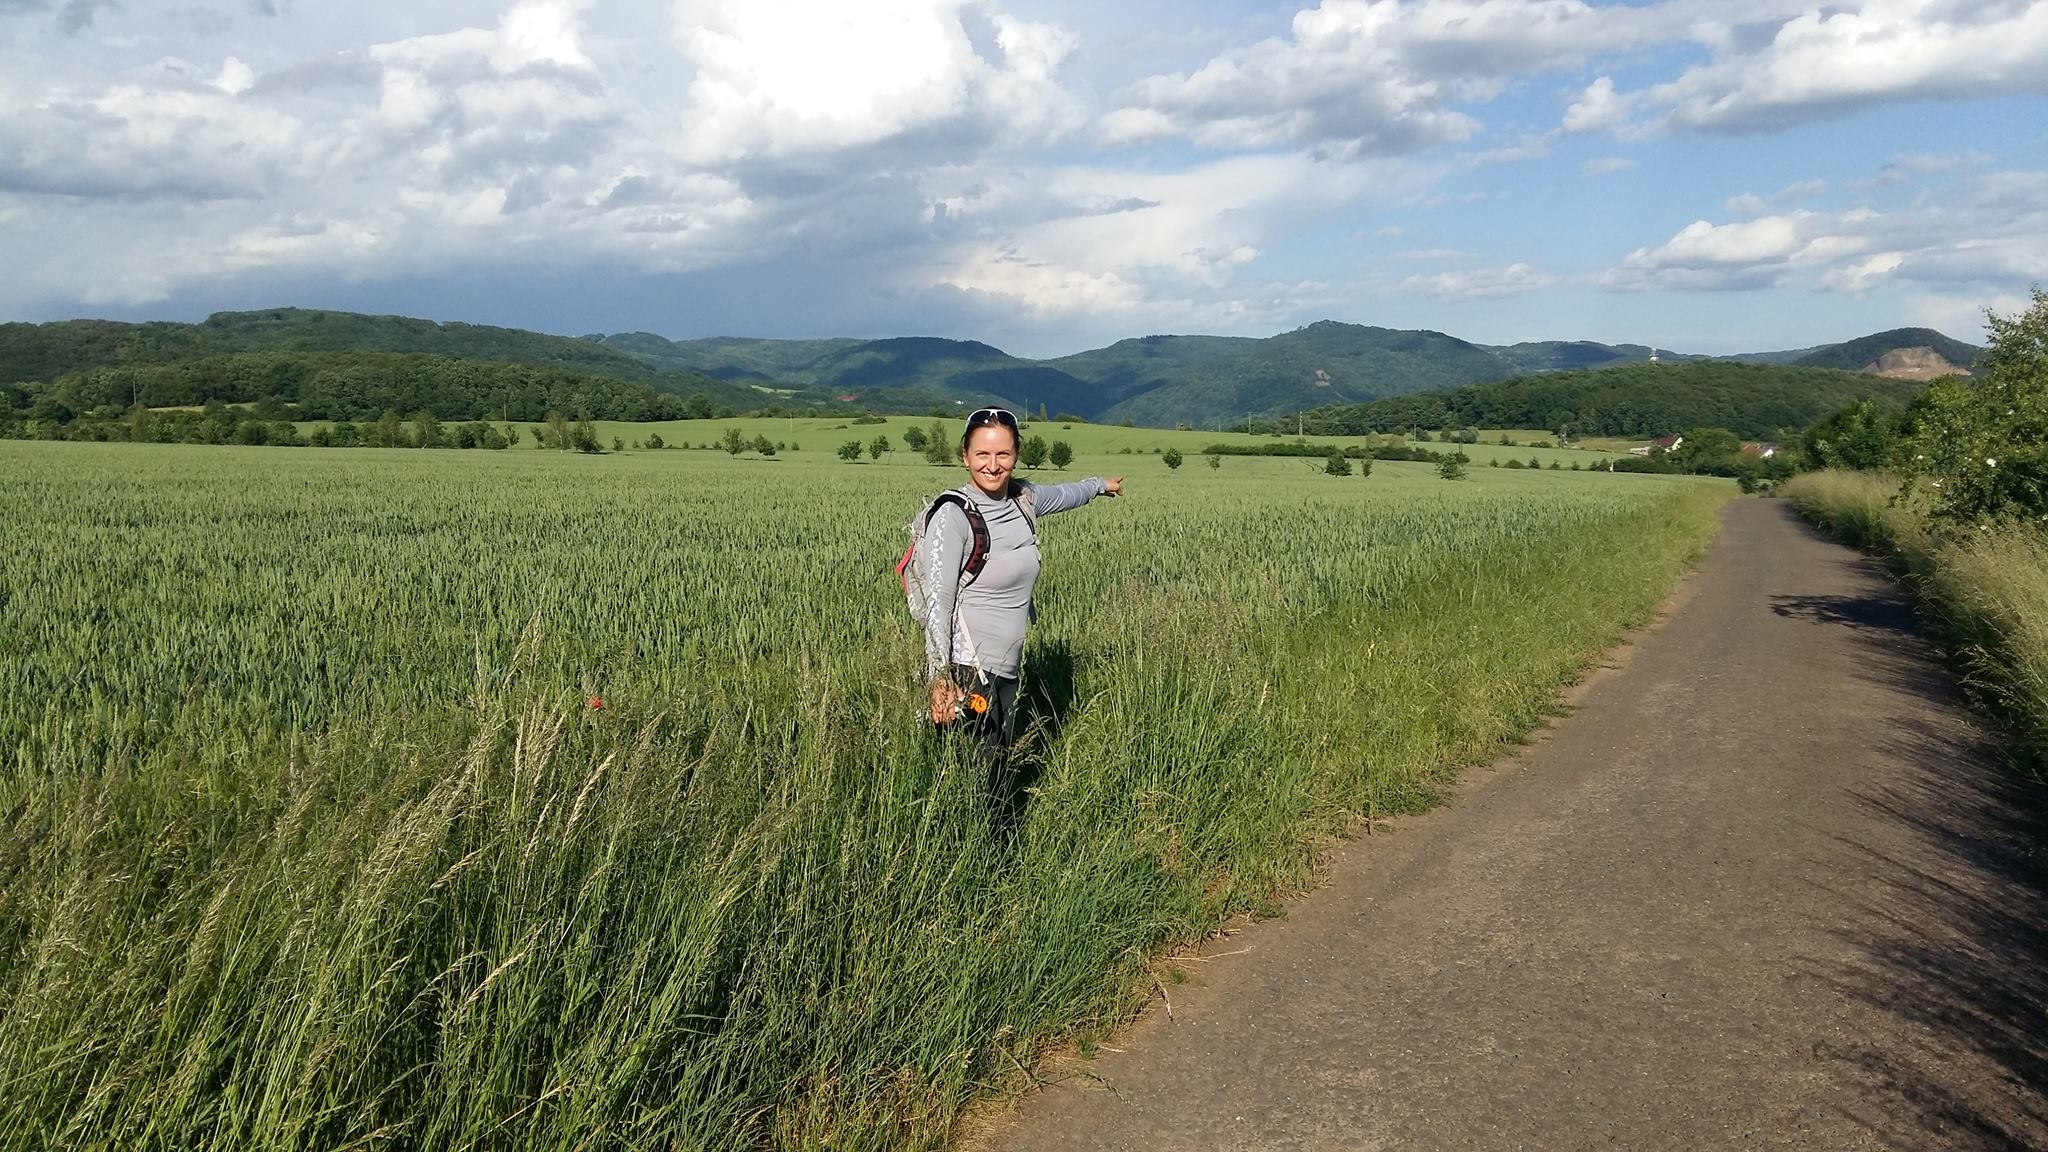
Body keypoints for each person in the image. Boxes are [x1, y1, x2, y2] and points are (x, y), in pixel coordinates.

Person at [920, 407, 1122, 746]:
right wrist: (940, 676)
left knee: (996, 773)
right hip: (969, 671)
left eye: (1003, 454)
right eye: (982, 454)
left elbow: (1064, 494)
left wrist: (1100, 485)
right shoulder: (953, 515)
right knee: (977, 781)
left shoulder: (1022, 499)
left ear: (1016, 455)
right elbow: (937, 605)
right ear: (964, 456)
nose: (993, 464)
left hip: (1007, 668)